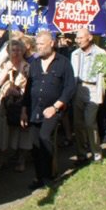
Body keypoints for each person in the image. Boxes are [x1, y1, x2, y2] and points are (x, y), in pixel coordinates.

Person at [22, 30, 76, 190]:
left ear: (51, 43)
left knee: (45, 138)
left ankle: (49, 175)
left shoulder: (63, 63)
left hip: (54, 109)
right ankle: (39, 176)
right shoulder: (35, 64)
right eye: (37, 44)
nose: (38, 47)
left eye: (41, 44)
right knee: (35, 143)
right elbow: (28, 88)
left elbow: (69, 88)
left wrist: (55, 107)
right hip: (34, 109)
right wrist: (24, 109)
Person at [0, 39, 30, 172]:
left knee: (21, 134)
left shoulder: (27, 67)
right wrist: (6, 71)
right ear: (8, 52)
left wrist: (18, 91)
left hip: (20, 104)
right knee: (4, 133)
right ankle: (3, 159)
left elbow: (30, 86)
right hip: (5, 105)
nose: (16, 53)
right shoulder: (4, 66)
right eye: (13, 50)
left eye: (19, 50)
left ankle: (21, 161)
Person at [72, 29, 106, 165]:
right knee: (78, 124)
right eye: (77, 38)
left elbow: (104, 75)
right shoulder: (75, 54)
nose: (78, 40)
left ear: (90, 37)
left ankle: (96, 154)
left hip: (93, 88)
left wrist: (101, 94)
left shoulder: (100, 54)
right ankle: (81, 154)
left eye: (81, 37)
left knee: (89, 123)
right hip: (79, 88)